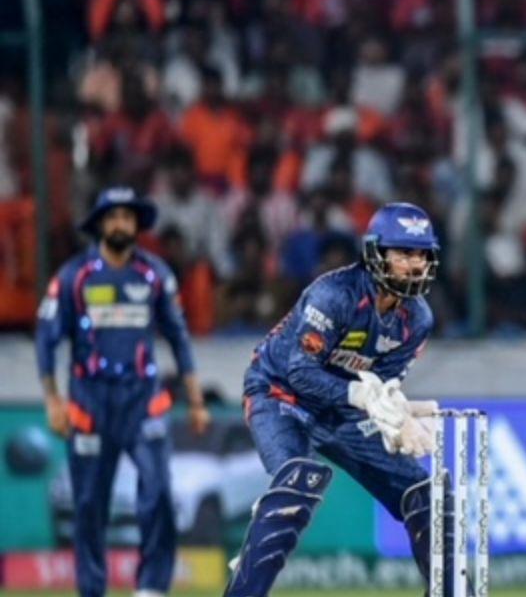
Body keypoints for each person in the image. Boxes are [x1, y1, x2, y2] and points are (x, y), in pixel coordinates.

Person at [224, 202, 444, 597]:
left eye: (422, 254)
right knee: (297, 484)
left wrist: (394, 411)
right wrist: (361, 394)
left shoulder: (419, 319)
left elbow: (385, 381)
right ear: (376, 253)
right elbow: (299, 371)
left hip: (341, 410)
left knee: (428, 499)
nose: (415, 264)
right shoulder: (335, 294)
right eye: (404, 253)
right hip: (280, 394)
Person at [35, 186, 210, 597]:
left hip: (143, 401)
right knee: (89, 506)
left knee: (159, 493)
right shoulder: (74, 276)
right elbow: (46, 340)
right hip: (89, 404)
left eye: (127, 218)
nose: (120, 224)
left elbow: (178, 338)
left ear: (136, 226)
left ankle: (151, 588)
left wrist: (197, 400)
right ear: (99, 225)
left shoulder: (154, 275)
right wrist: (53, 401)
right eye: (112, 217)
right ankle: (92, 590)